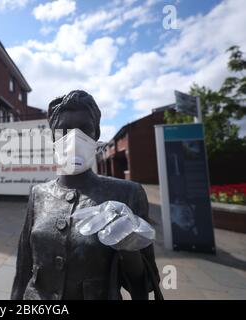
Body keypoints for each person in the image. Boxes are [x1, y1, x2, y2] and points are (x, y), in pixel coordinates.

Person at [11, 90, 162, 300]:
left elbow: (144, 283)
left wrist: (129, 247)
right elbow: (23, 267)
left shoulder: (127, 194)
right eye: (64, 131)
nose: (73, 139)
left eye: (84, 129)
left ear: (96, 135)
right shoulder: (38, 194)